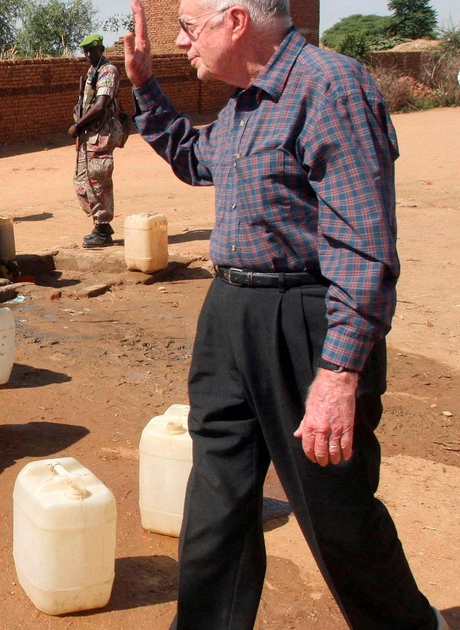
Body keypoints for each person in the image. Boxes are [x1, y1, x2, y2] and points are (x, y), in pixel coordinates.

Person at [122, 1, 447, 628]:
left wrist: (339, 374)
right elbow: (194, 159)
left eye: (190, 29)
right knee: (216, 498)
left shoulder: (330, 88)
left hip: (305, 319)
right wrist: (144, 87)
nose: (184, 44)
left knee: (333, 506)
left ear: (235, 22)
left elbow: (363, 245)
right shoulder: (245, 103)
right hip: (230, 314)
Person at [70, 34, 124, 248]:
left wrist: (78, 124)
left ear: (101, 49)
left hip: (101, 135)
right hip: (89, 136)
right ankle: (100, 224)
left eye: (92, 50)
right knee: (82, 181)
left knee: (98, 181)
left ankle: (102, 228)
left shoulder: (108, 70)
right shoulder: (92, 70)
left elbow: (101, 104)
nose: (88, 54)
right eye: (85, 51)